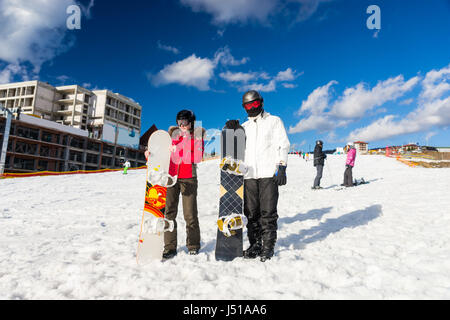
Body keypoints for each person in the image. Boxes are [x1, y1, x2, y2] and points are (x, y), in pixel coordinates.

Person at [225, 90, 290, 262]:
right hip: (249, 175)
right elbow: (234, 150)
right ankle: (255, 245)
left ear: (261, 102)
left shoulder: (274, 121)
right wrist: (231, 130)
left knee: (268, 213)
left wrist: (281, 166)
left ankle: (268, 247)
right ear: (244, 107)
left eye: (254, 104)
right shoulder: (244, 127)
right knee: (251, 213)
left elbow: (283, 144)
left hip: (269, 174)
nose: (252, 108)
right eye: (248, 105)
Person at [145, 110, 205, 259]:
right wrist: (150, 154)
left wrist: (179, 149)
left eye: (185, 122)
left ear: (191, 123)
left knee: (190, 214)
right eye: (180, 122)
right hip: (170, 178)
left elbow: (197, 156)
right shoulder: (171, 137)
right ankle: (170, 247)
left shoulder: (196, 136)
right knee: (169, 213)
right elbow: (162, 153)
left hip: (188, 178)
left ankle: (193, 245)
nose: (182, 125)